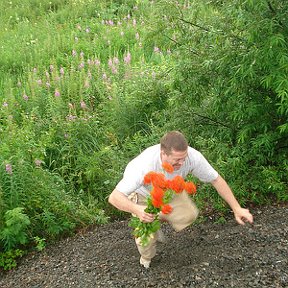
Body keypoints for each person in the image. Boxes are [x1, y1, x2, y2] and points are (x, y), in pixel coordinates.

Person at [108, 131, 253, 268]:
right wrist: (137, 210)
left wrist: (236, 208)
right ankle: (146, 257)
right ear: (163, 153)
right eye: (177, 160)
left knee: (189, 214)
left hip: (169, 192)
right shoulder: (142, 166)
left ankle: (157, 219)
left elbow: (215, 179)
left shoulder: (192, 157)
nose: (182, 163)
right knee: (146, 245)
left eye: (184, 158)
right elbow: (114, 198)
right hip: (143, 197)